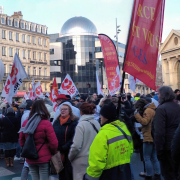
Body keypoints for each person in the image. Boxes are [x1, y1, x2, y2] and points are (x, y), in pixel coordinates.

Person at [84, 102, 133, 180]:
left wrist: (90, 177)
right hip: (125, 171)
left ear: (106, 117)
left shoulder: (103, 134)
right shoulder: (123, 128)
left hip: (108, 174)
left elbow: (97, 162)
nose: (100, 117)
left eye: (101, 115)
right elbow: (130, 149)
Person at [19, 100, 58, 180]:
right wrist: (53, 152)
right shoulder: (46, 123)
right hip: (44, 157)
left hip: (30, 156)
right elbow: (53, 142)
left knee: (34, 177)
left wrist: (28, 148)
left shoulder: (26, 122)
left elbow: (21, 141)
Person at [153, 86, 180, 180]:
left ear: (163, 95)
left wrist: (159, 150)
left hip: (167, 147)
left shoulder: (161, 109)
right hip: (177, 143)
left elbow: (159, 132)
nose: (157, 96)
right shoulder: (177, 106)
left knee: (168, 174)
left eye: (159, 94)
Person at [69, 103, 101, 180]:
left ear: (81, 112)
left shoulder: (81, 125)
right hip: (94, 158)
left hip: (81, 160)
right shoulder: (97, 123)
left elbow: (76, 146)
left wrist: (70, 157)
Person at [134, 99, 161, 180]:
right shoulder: (152, 109)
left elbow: (145, 122)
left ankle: (149, 175)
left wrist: (136, 115)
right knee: (154, 157)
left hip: (148, 137)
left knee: (147, 157)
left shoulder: (148, 110)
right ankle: (157, 173)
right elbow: (149, 123)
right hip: (152, 135)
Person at [53, 103, 78, 180]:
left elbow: (74, 138)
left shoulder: (73, 122)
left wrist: (64, 147)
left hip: (68, 152)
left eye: (65, 109)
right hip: (58, 152)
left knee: (68, 174)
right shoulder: (56, 122)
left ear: (69, 111)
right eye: (61, 109)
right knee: (60, 172)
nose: (63, 111)